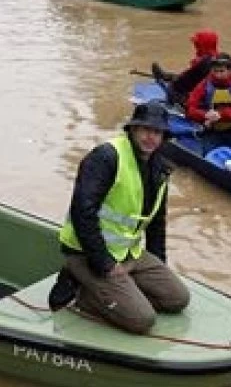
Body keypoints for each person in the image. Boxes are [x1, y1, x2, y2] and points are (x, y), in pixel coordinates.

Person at [47, 102, 191, 334]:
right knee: (142, 320)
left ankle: (122, 291)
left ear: (163, 136)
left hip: (128, 254)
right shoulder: (106, 157)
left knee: (177, 299)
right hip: (86, 253)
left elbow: (156, 224)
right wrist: (105, 264)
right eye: (144, 129)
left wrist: (158, 266)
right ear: (132, 130)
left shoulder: (160, 168)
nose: (150, 137)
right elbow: (83, 213)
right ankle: (79, 290)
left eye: (157, 132)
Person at [185, 53, 231, 160]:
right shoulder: (205, 84)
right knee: (208, 159)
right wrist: (205, 116)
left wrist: (220, 115)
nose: (217, 75)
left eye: (221, 71)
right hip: (213, 130)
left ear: (230, 70)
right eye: (215, 71)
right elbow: (190, 108)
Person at [151, 29, 219, 107]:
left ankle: (164, 77)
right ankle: (165, 76)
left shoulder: (202, 63)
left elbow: (180, 82)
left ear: (202, 45)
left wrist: (172, 85)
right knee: (181, 78)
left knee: (172, 88)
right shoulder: (219, 58)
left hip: (197, 101)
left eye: (197, 44)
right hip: (208, 94)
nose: (195, 47)